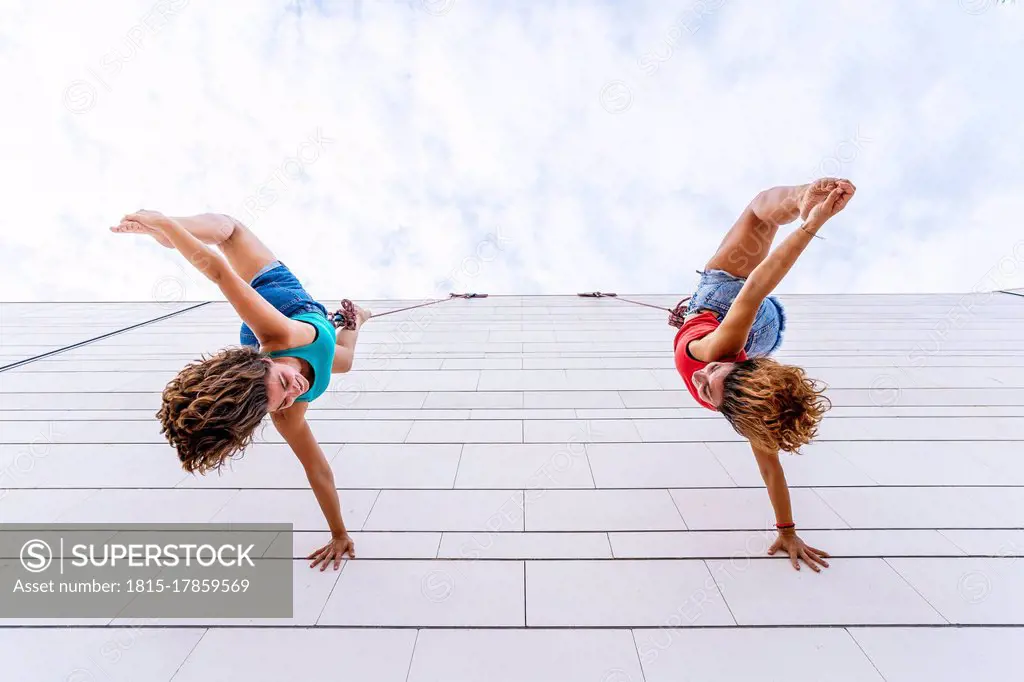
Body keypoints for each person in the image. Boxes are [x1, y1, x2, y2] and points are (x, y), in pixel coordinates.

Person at [112, 210, 367, 571]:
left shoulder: (279, 335)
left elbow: (218, 272)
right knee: (344, 361)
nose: (296, 390)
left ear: (263, 362)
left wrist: (168, 226)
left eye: (283, 383)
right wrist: (339, 533)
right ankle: (356, 318)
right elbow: (318, 470)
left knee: (228, 230)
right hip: (321, 341)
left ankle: (173, 230)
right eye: (286, 399)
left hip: (274, 291)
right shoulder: (285, 410)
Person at [671, 178, 856, 571]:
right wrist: (811, 223)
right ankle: (801, 199)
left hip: (761, 334)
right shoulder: (716, 352)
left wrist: (787, 531)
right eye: (717, 371)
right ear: (742, 364)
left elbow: (771, 469)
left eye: (708, 382)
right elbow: (755, 287)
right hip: (732, 305)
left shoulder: (749, 419)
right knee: (757, 211)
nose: (701, 376)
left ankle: (794, 200)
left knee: (759, 218)